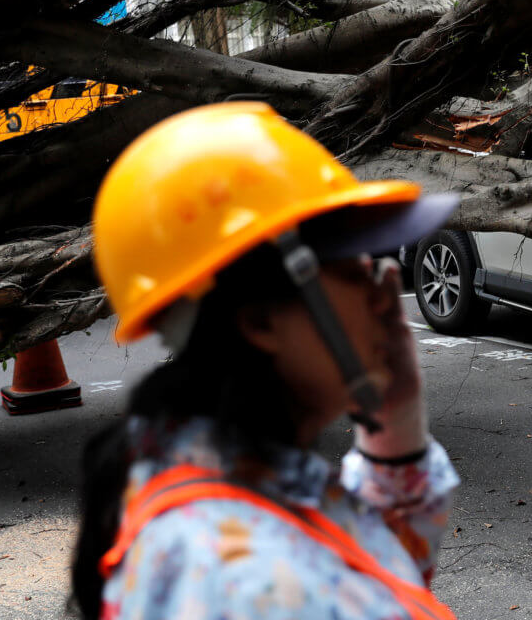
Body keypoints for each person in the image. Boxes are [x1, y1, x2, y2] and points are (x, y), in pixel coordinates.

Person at [71, 102, 460, 620]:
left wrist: (396, 421)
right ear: (259, 322)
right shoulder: (247, 587)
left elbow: (371, 570)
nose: (383, 291)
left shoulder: (216, 491)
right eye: (354, 269)